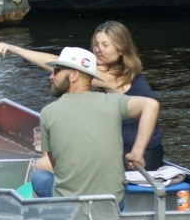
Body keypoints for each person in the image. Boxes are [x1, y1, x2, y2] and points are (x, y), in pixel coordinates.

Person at [0, 20, 165, 169]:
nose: (98, 49)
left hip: (136, 160)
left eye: (105, 45)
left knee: (43, 165)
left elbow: (59, 64)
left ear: (120, 50)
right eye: (96, 44)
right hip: (126, 151)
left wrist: (16, 50)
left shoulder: (113, 77)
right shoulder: (111, 70)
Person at [30, 47, 159, 202]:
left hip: (69, 205)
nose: (51, 76)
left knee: (39, 176)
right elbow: (151, 105)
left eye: (57, 71)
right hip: (114, 203)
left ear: (74, 76)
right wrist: (137, 152)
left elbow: (57, 167)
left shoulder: (48, 112)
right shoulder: (113, 102)